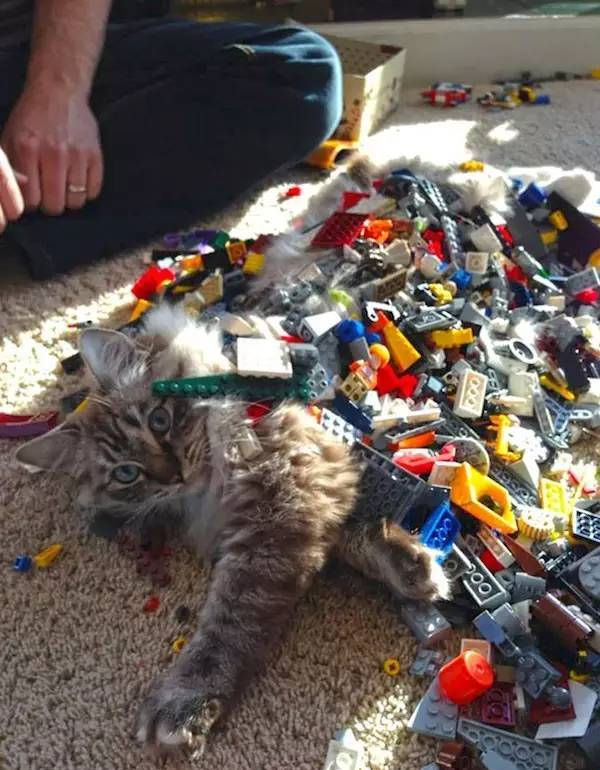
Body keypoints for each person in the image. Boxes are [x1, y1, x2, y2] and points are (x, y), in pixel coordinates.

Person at [0, 1, 342, 279]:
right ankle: (30, 212)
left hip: (41, 47)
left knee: (305, 73)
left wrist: (59, 93)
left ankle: (28, 200)